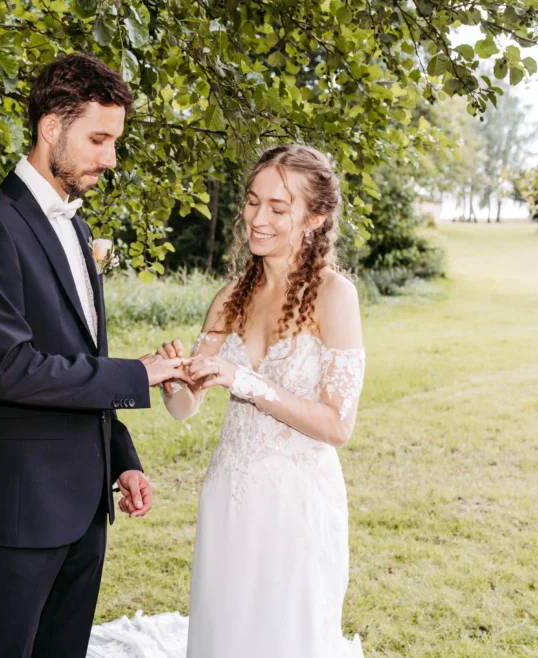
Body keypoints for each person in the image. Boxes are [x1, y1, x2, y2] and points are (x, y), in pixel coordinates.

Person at [0, 53, 191, 658]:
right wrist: (138, 374)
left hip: (88, 510)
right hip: (25, 510)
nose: (110, 158)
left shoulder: (79, 230)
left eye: (115, 141)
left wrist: (122, 458)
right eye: (99, 139)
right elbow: (12, 369)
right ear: (51, 127)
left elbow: (83, 355)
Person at [91, 144, 366, 657]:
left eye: (278, 208)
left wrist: (244, 380)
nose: (257, 219)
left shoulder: (335, 296)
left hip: (296, 500)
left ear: (316, 217)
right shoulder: (231, 295)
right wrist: (176, 382)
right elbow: (186, 407)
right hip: (229, 495)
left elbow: (337, 426)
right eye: (251, 201)